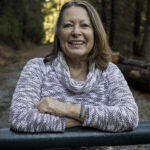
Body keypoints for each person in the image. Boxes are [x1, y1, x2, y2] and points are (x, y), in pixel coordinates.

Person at [9, 0, 138, 144]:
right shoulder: (37, 68)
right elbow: (19, 117)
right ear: (58, 33)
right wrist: (93, 120)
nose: (76, 32)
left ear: (95, 32)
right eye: (68, 25)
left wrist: (64, 108)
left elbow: (129, 116)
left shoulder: (109, 71)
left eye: (84, 25)